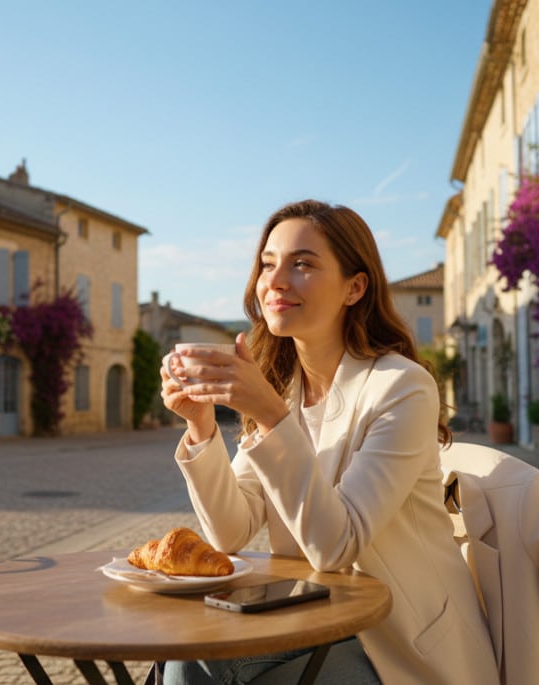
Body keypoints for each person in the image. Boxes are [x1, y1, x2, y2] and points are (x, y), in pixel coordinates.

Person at [158, 200, 500, 685]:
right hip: (315, 619)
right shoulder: (285, 391)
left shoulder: (402, 388)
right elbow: (229, 533)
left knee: (197, 670)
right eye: (268, 263)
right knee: (186, 656)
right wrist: (201, 427)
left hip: (399, 641)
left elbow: (336, 545)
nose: (276, 280)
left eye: (302, 264)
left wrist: (271, 417)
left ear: (354, 288)